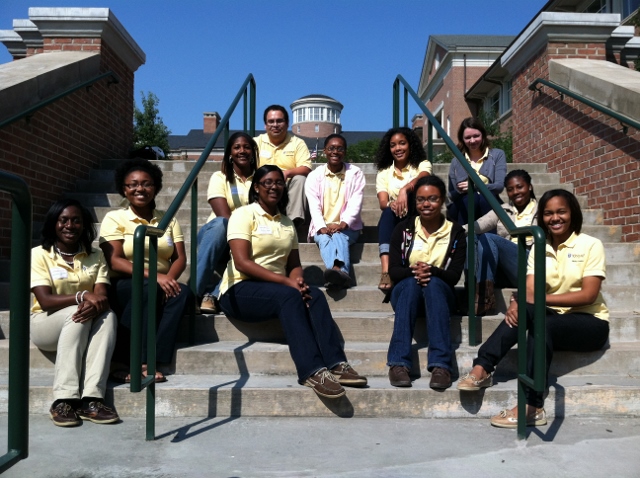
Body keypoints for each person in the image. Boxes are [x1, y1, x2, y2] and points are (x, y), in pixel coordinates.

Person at [458, 189, 609, 429]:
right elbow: (529, 288)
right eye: (548, 213)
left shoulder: (590, 244)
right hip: (551, 316)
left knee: (542, 321)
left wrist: (540, 300)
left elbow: (588, 294)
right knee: (528, 312)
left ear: (573, 214)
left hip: (589, 323)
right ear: (542, 218)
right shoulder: (540, 245)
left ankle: (532, 405)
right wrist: (519, 302)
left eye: (561, 212)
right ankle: (483, 367)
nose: (555, 218)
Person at [217, 165, 367, 398]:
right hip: (238, 289)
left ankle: (337, 363)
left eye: (278, 182)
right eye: (267, 182)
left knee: (314, 295)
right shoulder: (243, 215)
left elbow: (294, 264)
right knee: (288, 295)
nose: (274, 186)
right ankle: (312, 370)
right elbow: (242, 262)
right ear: (256, 188)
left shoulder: (287, 223)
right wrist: (286, 283)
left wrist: (298, 281)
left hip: (274, 289)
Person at [99, 158, 191, 383]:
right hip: (124, 282)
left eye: (146, 183)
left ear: (156, 187)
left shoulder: (167, 219)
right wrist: (157, 277)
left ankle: (155, 358)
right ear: (124, 189)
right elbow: (115, 260)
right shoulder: (115, 217)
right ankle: (126, 359)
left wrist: (168, 279)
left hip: (157, 281)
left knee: (183, 293)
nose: (140, 188)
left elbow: (180, 258)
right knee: (148, 287)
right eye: (133, 184)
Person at [31, 199, 119, 427]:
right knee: (75, 313)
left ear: (84, 225)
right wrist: (82, 296)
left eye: (76, 220)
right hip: (45, 324)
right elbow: (45, 300)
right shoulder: (40, 254)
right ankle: (64, 399)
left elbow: (101, 295)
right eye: (63, 220)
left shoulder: (95, 255)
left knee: (108, 316)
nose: (70, 225)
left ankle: (92, 399)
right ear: (54, 223)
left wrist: (92, 300)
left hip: (82, 320)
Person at [386, 176, 466, 390]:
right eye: (421, 199)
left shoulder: (456, 232)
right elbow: (393, 270)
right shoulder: (403, 229)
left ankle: (441, 365)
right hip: (405, 291)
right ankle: (398, 363)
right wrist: (413, 272)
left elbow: (454, 275)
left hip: (439, 293)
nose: (426, 204)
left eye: (432, 199)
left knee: (433, 283)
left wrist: (432, 271)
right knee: (413, 283)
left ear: (442, 201)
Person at [196, 132, 258, 312]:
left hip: (248, 238)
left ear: (253, 152)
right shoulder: (219, 177)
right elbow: (222, 213)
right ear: (230, 153)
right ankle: (193, 292)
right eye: (237, 147)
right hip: (218, 237)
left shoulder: (261, 179)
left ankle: (212, 295)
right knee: (222, 223)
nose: (242, 151)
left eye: (246, 147)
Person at [467, 169, 538, 314]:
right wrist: (448, 230)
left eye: (520, 187)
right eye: (510, 189)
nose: (515, 192)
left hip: (529, 265)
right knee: (471, 237)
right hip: (505, 271)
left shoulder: (543, 210)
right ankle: (475, 290)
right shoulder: (503, 210)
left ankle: (483, 298)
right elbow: (476, 226)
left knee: (488, 237)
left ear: (529, 187)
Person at [375, 127, 432, 292]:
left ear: (410, 145)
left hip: (418, 214)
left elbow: (424, 177)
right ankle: (386, 271)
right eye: (393, 145)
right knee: (387, 212)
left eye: (402, 143)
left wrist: (404, 190)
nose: (397, 148)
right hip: (395, 215)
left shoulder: (422, 164)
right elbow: (382, 202)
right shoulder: (384, 173)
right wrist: (392, 204)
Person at [305, 134, 364, 289]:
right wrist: (321, 226)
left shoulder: (355, 173)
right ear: (325, 151)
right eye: (331, 148)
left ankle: (336, 271)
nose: (335, 152)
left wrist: (344, 223)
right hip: (322, 226)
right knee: (324, 239)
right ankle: (341, 273)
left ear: (345, 152)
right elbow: (314, 205)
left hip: (348, 227)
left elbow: (355, 202)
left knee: (339, 236)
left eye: (339, 149)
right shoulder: (314, 176)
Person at [254, 105, 311, 227]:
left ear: (287, 123)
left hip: (286, 185)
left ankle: (293, 223)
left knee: (300, 179)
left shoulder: (297, 143)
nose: (275, 124)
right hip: (262, 185)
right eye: (271, 121)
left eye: (279, 121)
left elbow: (306, 168)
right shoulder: (256, 143)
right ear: (265, 125)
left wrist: (287, 173)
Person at [447, 117, 507, 227]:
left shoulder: (497, 155)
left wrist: (474, 186)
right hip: (465, 206)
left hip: (489, 204)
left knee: (485, 198)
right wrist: (460, 191)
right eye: (468, 137)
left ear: (483, 135)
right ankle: (463, 238)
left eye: (476, 136)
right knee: (471, 198)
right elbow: (451, 194)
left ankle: (487, 239)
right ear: (462, 139)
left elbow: (499, 186)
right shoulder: (456, 161)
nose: (472, 141)